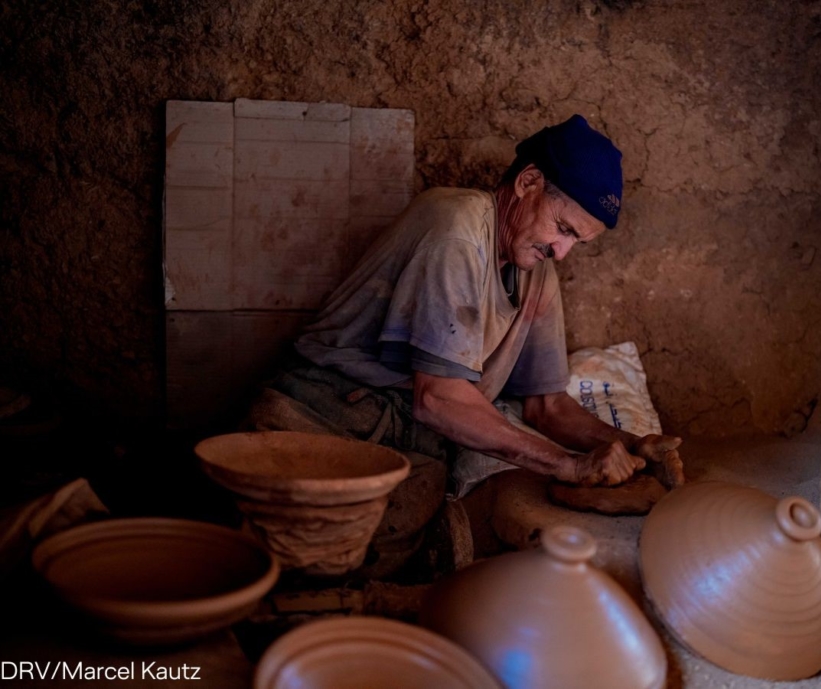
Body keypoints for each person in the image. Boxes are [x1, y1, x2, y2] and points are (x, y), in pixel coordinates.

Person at [244, 114, 682, 573]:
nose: (562, 251)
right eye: (565, 228)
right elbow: (437, 400)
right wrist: (570, 467)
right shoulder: (456, 228)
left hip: (410, 446)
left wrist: (631, 445)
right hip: (325, 417)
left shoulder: (536, 270)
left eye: (578, 242)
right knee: (294, 563)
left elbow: (545, 406)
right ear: (528, 182)